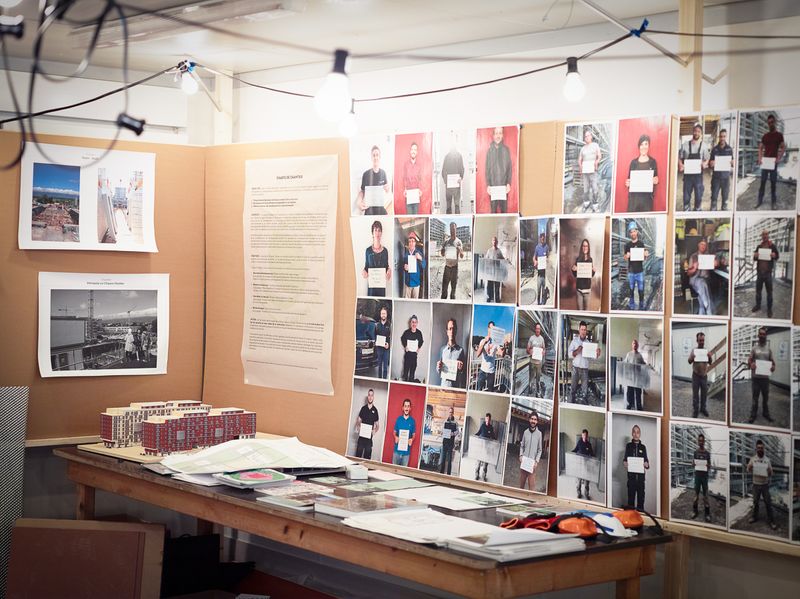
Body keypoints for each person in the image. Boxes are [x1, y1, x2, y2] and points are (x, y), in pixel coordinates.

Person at [678, 122, 710, 211]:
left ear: (701, 133)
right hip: (687, 176)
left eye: (699, 131)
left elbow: (707, 158)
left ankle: (697, 208)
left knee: (699, 194)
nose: (697, 133)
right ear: (693, 132)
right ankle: (686, 208)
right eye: (695, 131)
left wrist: (705, 163)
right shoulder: (685, 145)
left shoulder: (704, 146)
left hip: (698, 176)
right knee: (686, 195)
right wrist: (681, 165)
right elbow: (679, 157)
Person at [746, 439, 777, 530]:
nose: (760, 449)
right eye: (758, 448)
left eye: (761, 448)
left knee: (768, 503)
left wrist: (770, 471)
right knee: (755, 502)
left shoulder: (767, 460)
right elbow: (748, 470)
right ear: (756, 449)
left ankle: (771, 521)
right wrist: (750, 467)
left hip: (764, 485)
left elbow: (771, 473)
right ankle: (754, 517)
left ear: (764, 449)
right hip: (755, 484)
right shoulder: (753, 459)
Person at [757, 114, 786, 208]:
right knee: (762, 182)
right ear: (767, 124)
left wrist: (778, 158)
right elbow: (760, 148)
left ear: (775, 122)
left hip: (773, 163)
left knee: (773, 183)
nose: (770, 124)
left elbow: (783, 147)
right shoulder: (765, 136)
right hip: (765, 162)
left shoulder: (779, 135)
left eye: (772, 122)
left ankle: (773, 203)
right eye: (769, 123)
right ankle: (759, 201)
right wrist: (760, 158)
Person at [748, 327, 776, 423]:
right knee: (755, 398)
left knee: (765, 398)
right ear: (758, 335)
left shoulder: (769, 349)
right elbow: (750, 360)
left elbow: (773, 362)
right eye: (761, 334)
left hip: (765, 379)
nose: (762, 336)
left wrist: (773, 367)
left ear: (765, 336)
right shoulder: (754, 348)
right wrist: (751, 364)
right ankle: (753, 415)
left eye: (764, 334)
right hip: (756, 379)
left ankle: (766, 413)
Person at [625, 134, 659, 212]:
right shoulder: (633, 163)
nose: (644, 147)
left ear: (649, 146)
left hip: (647, 200)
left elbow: (656, 179)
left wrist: (656, 180)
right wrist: (628, 183)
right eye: (641, 144)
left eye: (646, 144)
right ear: (639, 146)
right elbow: (629, 180)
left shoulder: (652, 162)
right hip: (634, 200)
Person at [685, 239, 718, 315]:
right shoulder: (693, 256)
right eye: (701, 244)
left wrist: (716, 263)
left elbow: (716, 264)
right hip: (695, 279)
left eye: (705, 245)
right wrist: (694, 268)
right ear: (698, 245)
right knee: (702, 283)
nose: (703, 246)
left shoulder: (708, 256)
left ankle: (702, 309)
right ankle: (708, 308)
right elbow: (689, 273)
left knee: (703, 285)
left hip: (705, 281)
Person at [751, 229, 779, 319]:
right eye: (763, 234)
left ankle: (769, 309)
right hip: (759, 273)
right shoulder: (759, 246)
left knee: (769, 293)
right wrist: (755, 256)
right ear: (762, 236)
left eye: (766, 234)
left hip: (768, 274)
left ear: (768, 235)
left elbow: (777, 256)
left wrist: (775, 255)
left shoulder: (772, 246)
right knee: (758, 292)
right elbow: (755, 258)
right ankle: (758, 305)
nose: (765, 236)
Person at [568, 321, 597, 404]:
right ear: (579, 330)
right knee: (573, 389)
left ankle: (583, 404)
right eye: (582, 329)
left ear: (586, 331)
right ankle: (571, 403)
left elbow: (592, 358)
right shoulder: (574, 341)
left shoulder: (588, 343)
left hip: (585, 369)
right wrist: (577, 350)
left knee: (585, 390)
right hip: (575, 368)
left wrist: (596, 354)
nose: (583, 331)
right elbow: (569, 354)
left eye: (585, 330)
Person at [485, 126, 512, 213]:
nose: (498, 136)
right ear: (493, 135)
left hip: (503, 187)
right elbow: (487, 169)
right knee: (493, 212)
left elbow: (509, 167)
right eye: (496, 133)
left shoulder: (506, 150)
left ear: (502, 135)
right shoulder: (489, 151)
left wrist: (508, 183)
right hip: (493, 187)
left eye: (500, 133)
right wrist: (488, 184)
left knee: (504, 212)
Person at [356, 145, 389, 215]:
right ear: (371, 157)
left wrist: (387, 188)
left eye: (377, 155)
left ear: (380, 157)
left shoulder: (383, 173)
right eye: (373, 155)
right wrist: (359, 202)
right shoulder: (366, 174)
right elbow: (362, 191)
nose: (375, 157)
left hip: (380, 208)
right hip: (369, 209)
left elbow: (387, 190)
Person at [623, 425, 650, 511]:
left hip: (641, 481)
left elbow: (647, 463)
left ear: (640, 434)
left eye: (637, 432)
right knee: (630, 503)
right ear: (632, 433)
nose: (636, 434)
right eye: (634, 432)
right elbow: (625, 459)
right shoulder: (628, 446)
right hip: (631, 480)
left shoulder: (643, 447)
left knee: (640, 504)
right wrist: (625, 463)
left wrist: (646, 464)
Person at [623, 221, 649, 310]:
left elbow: (644, 258)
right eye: (631, 231)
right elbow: (625, 258)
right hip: (631, 272)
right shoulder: (627, 245)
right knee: (631, 290)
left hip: (640, 272)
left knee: (641, 291)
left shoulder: (641, 244)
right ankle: (632, 305)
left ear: (637, 232)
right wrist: (627, 256)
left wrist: (646, 255)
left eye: (634, 231)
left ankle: (641, 305)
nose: (633, 233)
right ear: (630, 233)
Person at [362, 220, 391, 297]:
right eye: (375, 230)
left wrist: (389, 271)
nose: (377, 233)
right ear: (372, 233)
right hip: (371, 288)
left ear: (381, 233)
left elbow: (387, 266)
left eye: (379, 230)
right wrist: (364, 272)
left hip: (381, 288)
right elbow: (366, 267)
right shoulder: (368, 251)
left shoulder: (385, 251)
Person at [688, 332, 713, 418]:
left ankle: (703, 408)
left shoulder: (706, 351)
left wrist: (710, 356)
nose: (702, 342)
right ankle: (695, 410)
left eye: (703, 340)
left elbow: (710, 362)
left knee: (704, 394)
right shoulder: (694, 351)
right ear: (697, 340)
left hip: (704, 376)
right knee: (695, 394)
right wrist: (692, 357)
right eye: (700, 340)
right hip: (695, 375)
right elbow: (689, 361)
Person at [437, 318, 466, 389]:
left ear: (456, 331)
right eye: (450, 329)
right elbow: (439, 372)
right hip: (443, 387)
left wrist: (461, 368)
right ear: (447, 331)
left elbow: (463, 372)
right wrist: (438, 367)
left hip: (455, 388)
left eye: (453, 328)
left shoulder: (461, 350)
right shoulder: (442, 350)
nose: (451, 331)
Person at [709, 128, 734, 211]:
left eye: (724, 136)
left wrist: (733, 163)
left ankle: (724, 209)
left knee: (725, 196)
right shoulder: (714, 149)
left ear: (726, 137)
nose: (722, 138)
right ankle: (713, 211)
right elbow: (710, 163)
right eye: (721, 136)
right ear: (719, 137)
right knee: (714, 197)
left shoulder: (729, 149)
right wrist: (711, 163)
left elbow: (733, 162)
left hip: (726, 177)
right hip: (716, 177)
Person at [475, 321, 504, 392]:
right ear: (488, 329)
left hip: (491, 372)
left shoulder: (496, 343)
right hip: (482, 371)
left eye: (493, 329)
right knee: (479, 390)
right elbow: (477, 354)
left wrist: (505, 347)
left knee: (490, 390)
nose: (491, 330)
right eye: (490, 328)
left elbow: (502, 354)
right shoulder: (482, 341)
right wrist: (485, 342)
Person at [578, 128, 601, 212]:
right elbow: (579, 159)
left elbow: (599, 156)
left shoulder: (595, 145)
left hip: (593, 170)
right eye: (585, 136)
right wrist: (580, 166)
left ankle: (595, 205)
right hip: (585, 171)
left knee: (595, 188)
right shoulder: (583, 148)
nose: (587, 137)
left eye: (588, 135)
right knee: (586, 189)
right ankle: (586, 203)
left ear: (591, 136)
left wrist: (596, 162)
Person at [440, 221, 464, 300]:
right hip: (447, 268)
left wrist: (460, 250)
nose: (452, 230)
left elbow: (462, 256)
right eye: (450, 228)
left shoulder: (459, 242)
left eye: (453, 228)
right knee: (444, 290)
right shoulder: (446, 241)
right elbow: (442, 254)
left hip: (454, 268)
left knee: (453, 291)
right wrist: (443, 250)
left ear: (456, 228)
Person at [519, 412, 542, 490]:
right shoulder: (525, 432)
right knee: (521, 486)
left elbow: (540, 450)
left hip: (532, 464)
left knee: (531, 488)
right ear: (529, 420)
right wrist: (521, 455)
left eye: (535, 419)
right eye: (532, 419)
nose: (533, 421)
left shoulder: (539, 434)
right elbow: (522, 446)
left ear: (537, 421)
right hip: (524, 462)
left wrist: (536, 461)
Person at [441, 139, 465, 214]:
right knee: (450, 206)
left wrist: (460, 178)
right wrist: (447, 181)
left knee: (454, 206)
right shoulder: (447, 157)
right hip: (451, 186)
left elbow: (462, 169)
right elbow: (443, 171)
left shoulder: (458, 156)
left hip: (454, 186)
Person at [571, 239, 596, 311]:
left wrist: (593, 271)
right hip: (579, 290)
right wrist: (573, 270)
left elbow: (590, 275)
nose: (585, 248)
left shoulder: (590, 259)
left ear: (588, 248)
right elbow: (575, 275)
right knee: (580, 310)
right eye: (584, 246)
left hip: (587, 290)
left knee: (587, 310)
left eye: (586, 246)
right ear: (582, 247)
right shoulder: (578, 259)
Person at [354, 389, 380, 459]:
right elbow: (358, 421)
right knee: (357, 459)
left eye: (372, 395)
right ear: (367, 396)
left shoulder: (375, 410)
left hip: (369, 440)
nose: (370, 397)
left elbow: (378, 426)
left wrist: (374, 430)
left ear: (373, 397)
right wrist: (358, 426)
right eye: (369, 395)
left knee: (367, 460)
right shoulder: (363, 409)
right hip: (361, 439)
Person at [692, 433, 712, 522]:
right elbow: (693, 463)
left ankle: (707, 514)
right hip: (697, 477)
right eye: (699, 440)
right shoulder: (695, 452)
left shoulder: (707, 453)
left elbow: (709, 465)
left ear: (704, 441)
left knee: (705, 497)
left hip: (704, 477)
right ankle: (695, 511)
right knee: (696, 496)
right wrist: (693, 464)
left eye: (702, 440)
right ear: (698, 441)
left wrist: (708, 465)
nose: (701, 442)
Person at [392, 398, 416, 466]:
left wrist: (412, 439)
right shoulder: (398, 419)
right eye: (405, 406)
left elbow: (414, 434)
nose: (406, 408)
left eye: (408, 406)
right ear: (403, 408)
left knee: (403, 474)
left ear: (410, 408)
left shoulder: (412, 421)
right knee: (393, 473)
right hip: (396, 452)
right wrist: (395, 436)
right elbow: (394, 432)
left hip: (406, 454)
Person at [402, 230, 426, 299]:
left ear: (415, 243)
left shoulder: (419, 253)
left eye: (413, 241)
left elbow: (424, 266)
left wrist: (420, 258)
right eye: (409, 242)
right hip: (408, 283)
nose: (411, 243)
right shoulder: (405, 255)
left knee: (415, 301)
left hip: (416, 283)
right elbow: (402, 267)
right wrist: (404, 267)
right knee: (406, 301)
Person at [400, 315, 424, 382]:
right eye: (412, 322)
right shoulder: (406, 332)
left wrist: (419, 348)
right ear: (410, 323)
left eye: (415, 322)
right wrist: (405, 346)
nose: (414, 324)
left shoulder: (419, 333)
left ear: (417, 323)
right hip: (407, 356)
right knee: (405, 374)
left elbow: (421, 341)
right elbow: (402, 339)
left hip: (414, 356)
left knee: (412, 374)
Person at [624, 339, 646, 411]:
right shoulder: (628, 354)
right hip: (630, 377)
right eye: (633, 343)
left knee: (638, 392)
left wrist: (646, 366)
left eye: (636, 344)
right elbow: (625, 363)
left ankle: (639, 406)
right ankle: (629, 404)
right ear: (632, 345)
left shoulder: (640, 355)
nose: (635, 345)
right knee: (630, 392)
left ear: (638, 345)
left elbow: (643, 364)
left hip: (638, 378)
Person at [401, 141, 422, 215]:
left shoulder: (419, 165)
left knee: (415, 215)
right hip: (409, 194)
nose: (413, 151)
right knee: (409, 215)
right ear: (410, 151)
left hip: (416, 194)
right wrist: (405, 189)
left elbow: (420, 178)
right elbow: (404, 177)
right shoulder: (406, 164)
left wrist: (420, 189)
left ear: (417, 152)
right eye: (412, 149)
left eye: (415, 150)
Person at [573, 429, 594, 500]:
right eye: (583, 435)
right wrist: (570, 453)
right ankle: (579, 493)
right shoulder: (579, 442)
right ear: (582, 435)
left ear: (587, 436)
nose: (584, 436)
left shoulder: (589, 444)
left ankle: (586, 494)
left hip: (586, 465)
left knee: (587, 483)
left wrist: (595, 459)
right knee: (578, 482)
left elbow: (592, 453)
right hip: (580, 465)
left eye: (586, 435)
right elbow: (575, 449)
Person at [526, 322, 546, 397]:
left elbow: (544, 349)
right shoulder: (531, 338)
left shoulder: (542, 339)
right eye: (537, 328)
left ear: (540, 330)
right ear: (535, 329)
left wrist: (543, 352)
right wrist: (529, 351)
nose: (538, 330)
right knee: (531, 378)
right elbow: (527, 349)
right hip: (532, 362)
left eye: (539, 329)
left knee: (538, 379)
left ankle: (538, 392)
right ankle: (530, 389)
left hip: (539, 363)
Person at [474, 412, 496, 481]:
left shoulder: (491, 428)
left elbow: (493, 436)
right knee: (478, 464)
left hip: (487, 449)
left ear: (490, 420)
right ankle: (476, 475)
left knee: (485, 465)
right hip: (481, 447)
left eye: (489, 419)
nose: (488, 420)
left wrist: (496, 441)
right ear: (485, 419)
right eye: (487, 418)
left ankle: (483, 476)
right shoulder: (482, 426)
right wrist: (474, 436)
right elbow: (478, 432)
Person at [484, 236, 505, 303]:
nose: (494, 242)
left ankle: (497, 299)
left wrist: (505, 260)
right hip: (490, 272)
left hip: (497, 272)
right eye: (493, 240)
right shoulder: (489, 250)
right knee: (489, 286)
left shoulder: (499, 251)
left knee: (497, 286)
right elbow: (486, 259)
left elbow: (502, 259)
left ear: (497, 242)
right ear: (492, 242)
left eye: (495, 241)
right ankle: (489, 297)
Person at [440, 406, 458, 475]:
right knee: (443, 458)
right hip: (445, 442)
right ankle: (441, 473)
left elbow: (457, 431)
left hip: (451, 443)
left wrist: (453, 433)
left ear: (453, 413)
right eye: (449, 412)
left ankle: (448, 474)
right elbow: (442, 430)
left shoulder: (455, 422)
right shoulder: (445, 421)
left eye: (451, 412)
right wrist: (441, 432)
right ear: (448, 412)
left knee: (449, 459)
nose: (450, 413)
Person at [533, 232, 549, 305]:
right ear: (540, 238)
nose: (542, 239)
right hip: (539, 272)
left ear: (544, 238)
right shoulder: (537, 247)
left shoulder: (546, 247)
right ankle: (538, 302)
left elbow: (548, 256)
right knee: (539, 287)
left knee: (543, 287)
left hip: (544, 272)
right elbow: (534, 257)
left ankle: (542, 302)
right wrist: (535, 261)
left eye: (543, 238)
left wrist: (547, 260)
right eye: (541, 238)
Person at [375, 306, 391, 379]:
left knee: (385, 367)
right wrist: (376, 342)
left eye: (384, 313)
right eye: (382, 313)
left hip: (386, 349)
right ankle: (379, 378)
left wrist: (389, 344)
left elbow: (391, 336)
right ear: (380, 314)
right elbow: (374, 335)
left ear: (386, 314)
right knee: (379, 366)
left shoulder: (389, 325)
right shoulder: (377, 325)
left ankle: (384, 379)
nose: (383, 315)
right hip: (379, 348)